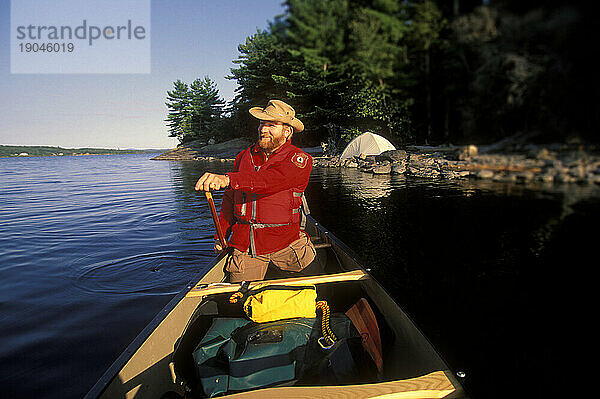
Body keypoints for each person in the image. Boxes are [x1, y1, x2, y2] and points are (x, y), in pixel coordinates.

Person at [195, 99, 316, 282]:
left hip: (288, 243)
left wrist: (227, 179)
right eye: (261, 123)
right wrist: (221, 235)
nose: (263, 129)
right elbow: (229, 199)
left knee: (315, 293)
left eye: (271, 125)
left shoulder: (300, 159)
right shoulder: (243, 157)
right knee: (238, 303)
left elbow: (271, 180)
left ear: (287, 131)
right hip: (247, 246)